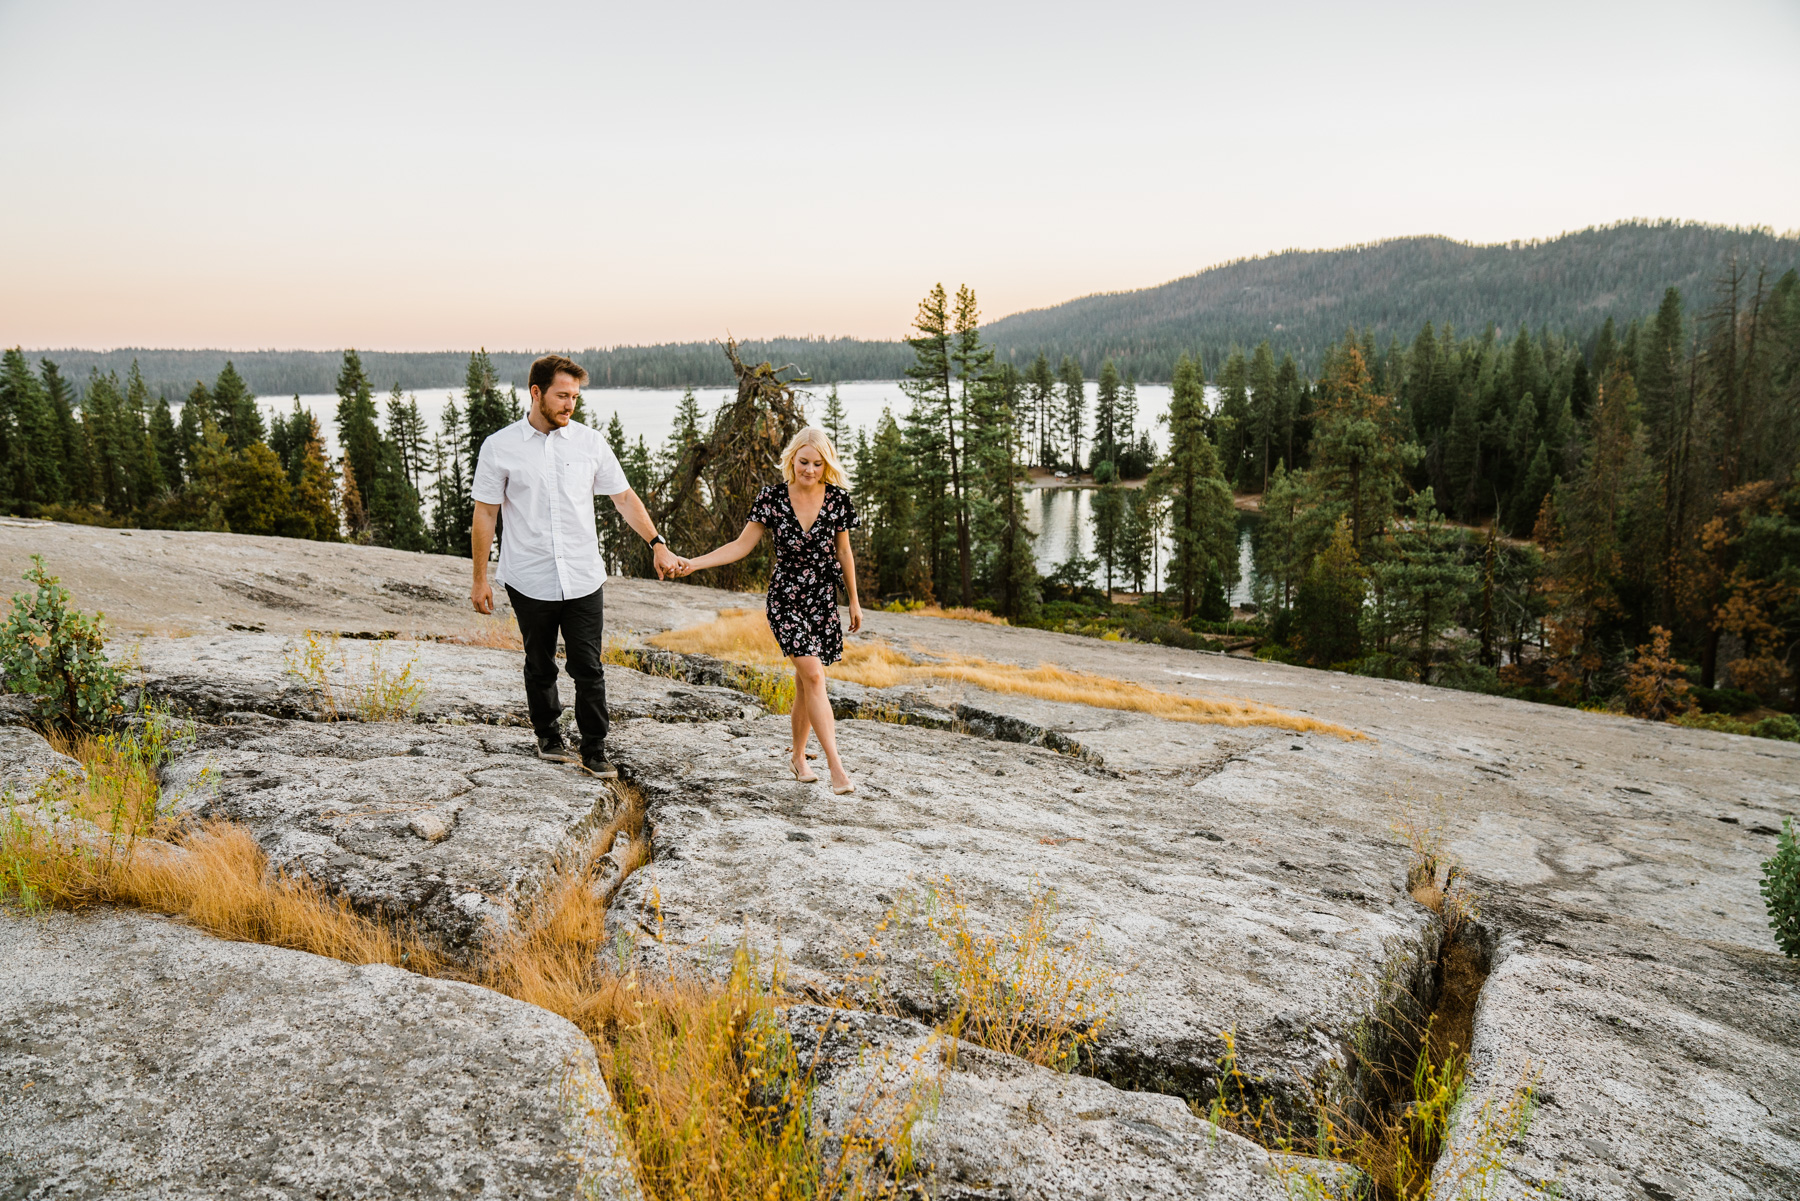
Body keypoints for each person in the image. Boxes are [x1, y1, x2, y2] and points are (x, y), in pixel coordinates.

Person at [469, 354, 680, 779]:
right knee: (540, 662)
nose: (570, 405)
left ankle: (595, 747)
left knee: (589, 666)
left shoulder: (590, 442)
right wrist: (479, 579)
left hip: (583, 575)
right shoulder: (500, 446)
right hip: (529, 577)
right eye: (562, 396)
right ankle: (548, 737)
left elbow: (623, 498)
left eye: (575, 397)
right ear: (536, 393)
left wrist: (657, 543)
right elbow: (485, 514)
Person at [671, 426, 863, 794]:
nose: (809, 470)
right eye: (803, 462)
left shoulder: (838, 500)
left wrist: (853, 600)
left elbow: (844, 553)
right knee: (815, 677)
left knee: (806, 684)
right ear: (792, 459)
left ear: (827, 465)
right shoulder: (772, 498)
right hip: (785, 599)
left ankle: (798, 756)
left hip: (822, 600)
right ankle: (837, 769)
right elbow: (740, 546)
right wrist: (694, 563)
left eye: (817, 464)